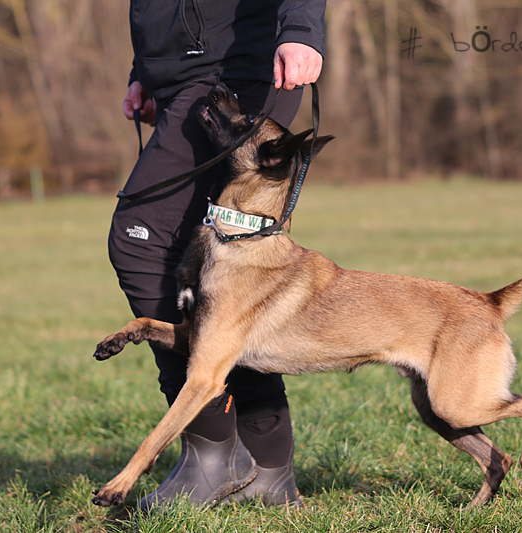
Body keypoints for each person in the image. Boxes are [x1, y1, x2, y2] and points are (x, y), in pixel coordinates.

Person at [107, 0, 326, 511]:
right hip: (183, 72)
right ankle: (267, 464)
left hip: (235, 63)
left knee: (139, 240)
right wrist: (147, 69)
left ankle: (213, 453)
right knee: (228, 284)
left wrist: (301, 27)